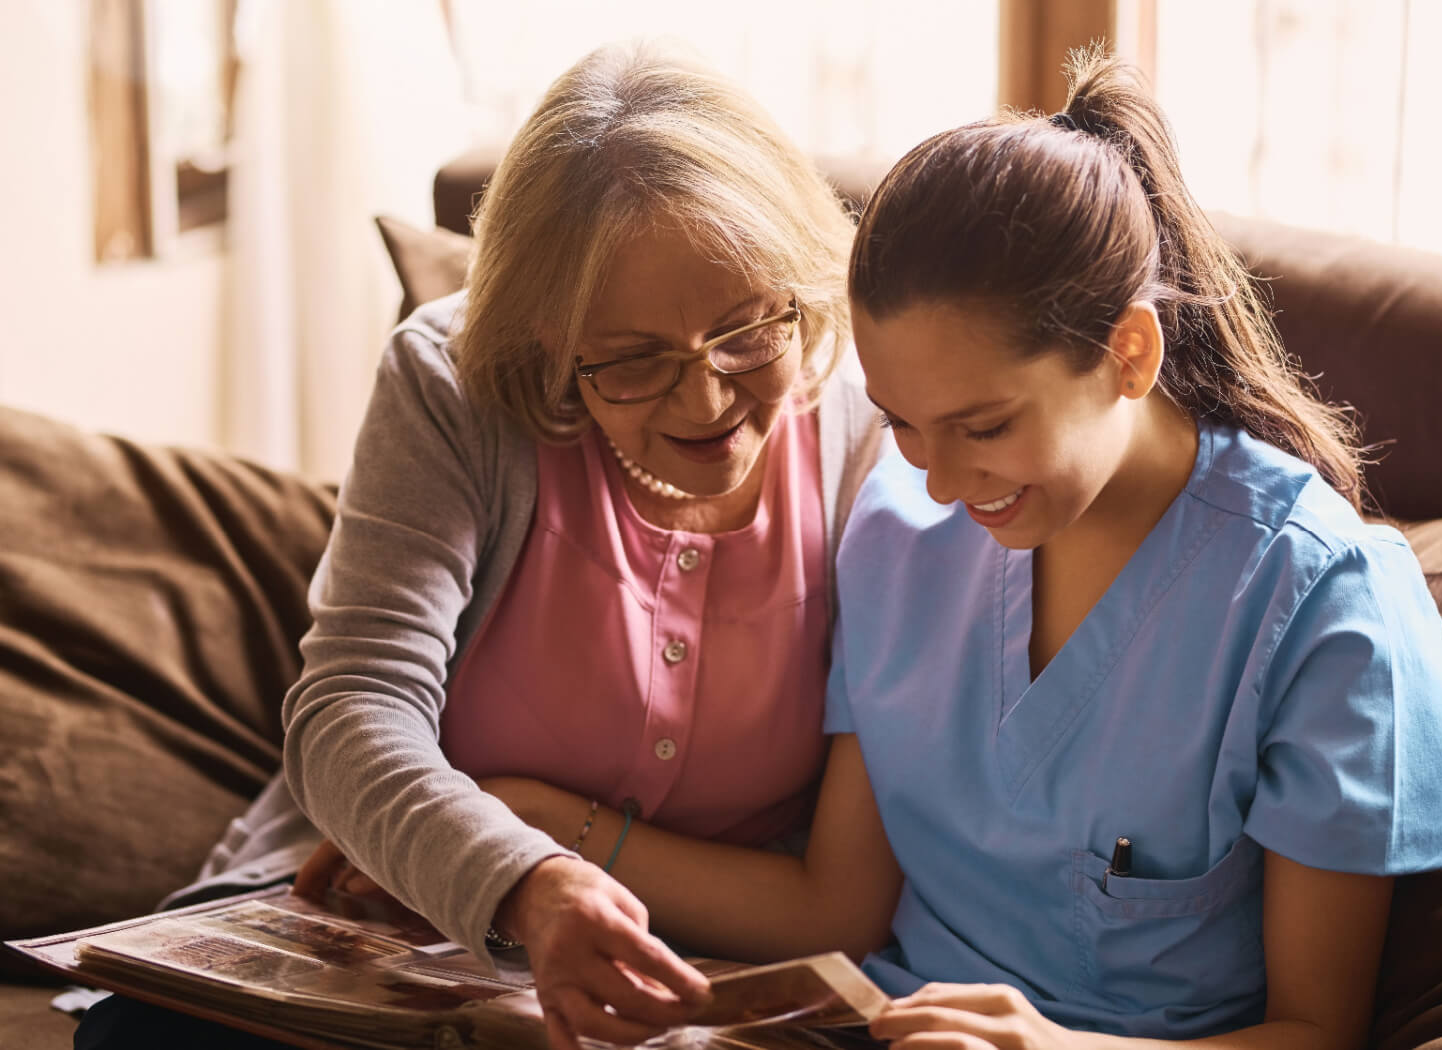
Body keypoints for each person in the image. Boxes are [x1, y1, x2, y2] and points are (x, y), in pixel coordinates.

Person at [473, 46, 1442, 1049]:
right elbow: (831, 910)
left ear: (1127, 352)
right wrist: (509, 825)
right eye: (902, 423)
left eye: (983, 427)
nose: (940, 483)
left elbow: (1318, 1030)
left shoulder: (1326, 612)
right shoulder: (895, 529)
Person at [74, 40, 885, 1049]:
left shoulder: (870, 424)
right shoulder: (452, 385)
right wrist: (526, 879)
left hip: (698, 955)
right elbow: (348, 708)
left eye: (747, 330)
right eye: (630, 361)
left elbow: (847, 889)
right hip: (392, 913)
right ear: (548, 336)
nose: (709, 396)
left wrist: (542, 819)